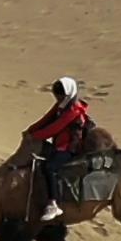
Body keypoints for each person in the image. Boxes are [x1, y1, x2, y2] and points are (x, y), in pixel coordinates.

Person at [22, 77, 94, 225]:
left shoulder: (74, 110)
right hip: (58, 145)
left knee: (50, 167)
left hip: (69, 148)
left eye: (60, 95)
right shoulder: (62, 106)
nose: (58, 98)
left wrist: (34, 136)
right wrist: (30, 131)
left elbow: (55, 127)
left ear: (68, 94)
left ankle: (53, 204)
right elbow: (46, 120)